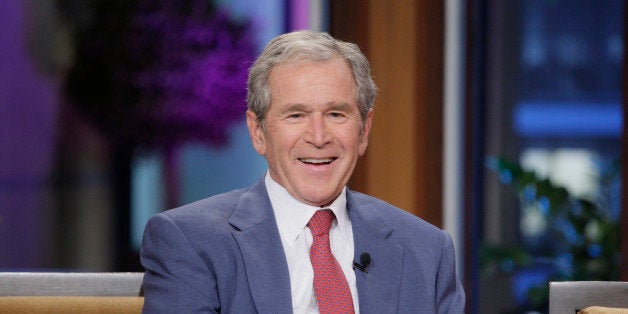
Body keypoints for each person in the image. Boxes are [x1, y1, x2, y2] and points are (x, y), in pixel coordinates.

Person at [140, 30, 465, 313]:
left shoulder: (427, 250)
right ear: (258, 132)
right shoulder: (190, 242)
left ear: (364, 131)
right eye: (296, 115)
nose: (319, 137)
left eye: (336, 114)